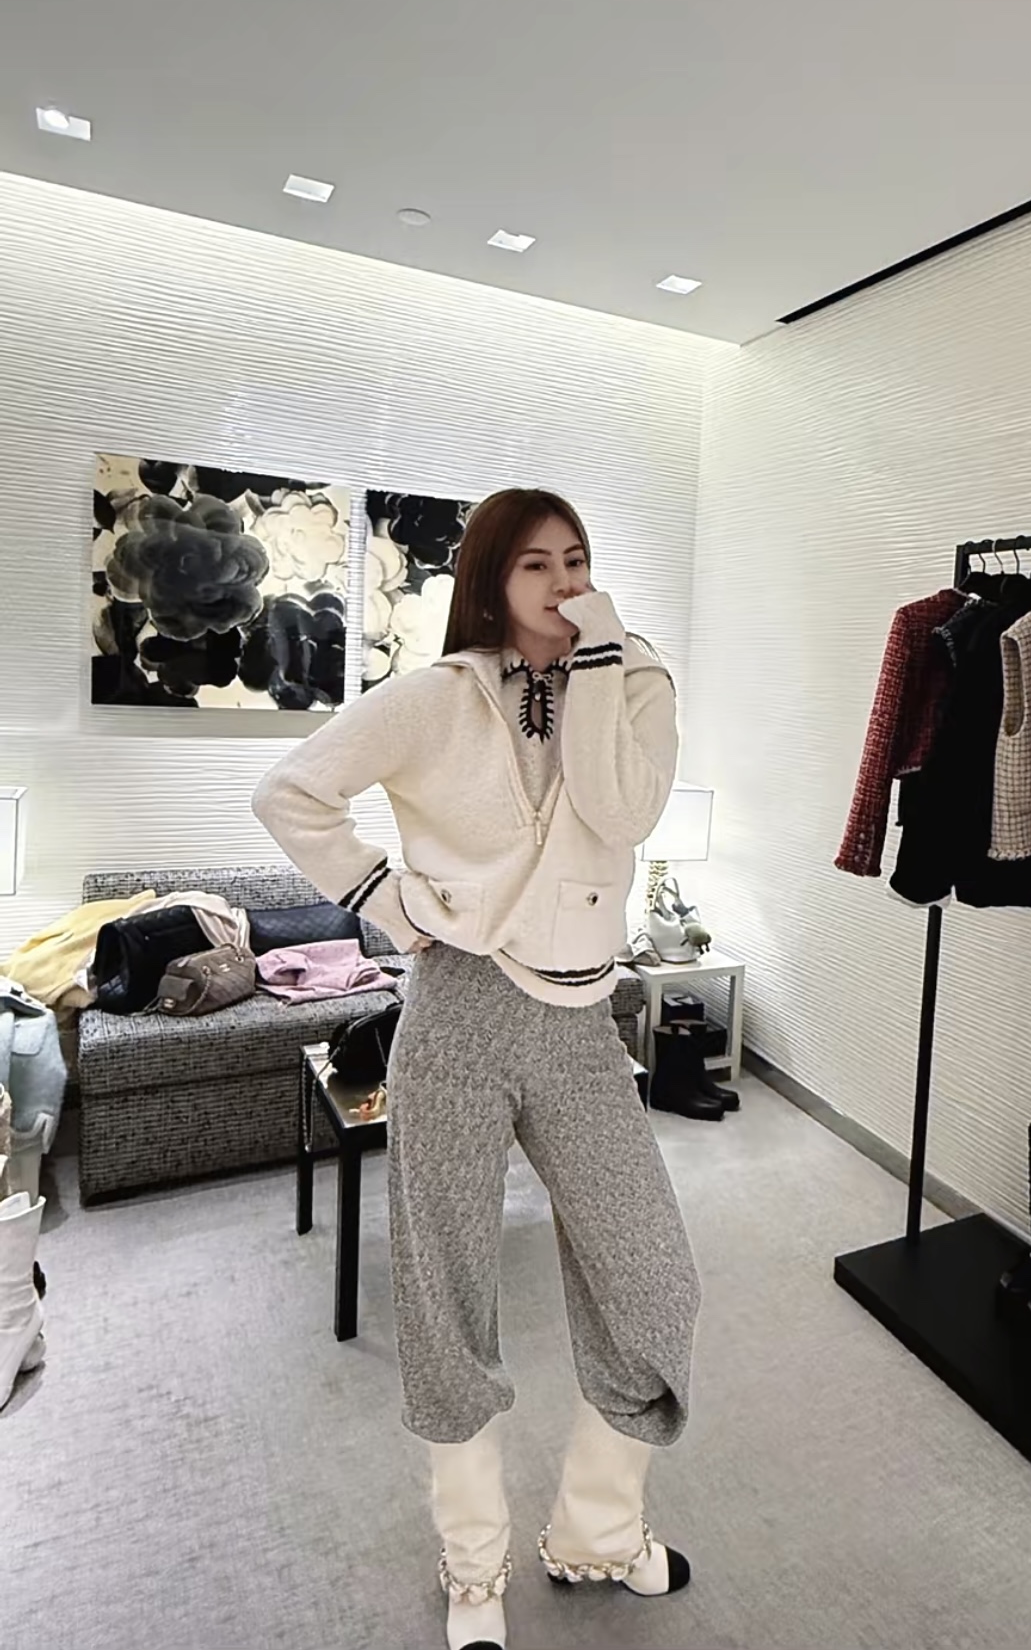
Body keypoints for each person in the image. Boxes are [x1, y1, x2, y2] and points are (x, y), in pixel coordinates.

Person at [252, 487, 700, 1650]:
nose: (563, 581)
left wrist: (597, 657)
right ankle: (472, 1571)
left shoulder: (636, 679)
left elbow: (620, 809)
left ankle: (597, 1532)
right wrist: (383, 900)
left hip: (582, 1021)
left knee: (655, 1278)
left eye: (578, 558)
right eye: (535, 563)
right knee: (447, 1294)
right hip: (458, 1009)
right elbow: (289, 791)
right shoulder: (437, 697)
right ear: (492, 580)